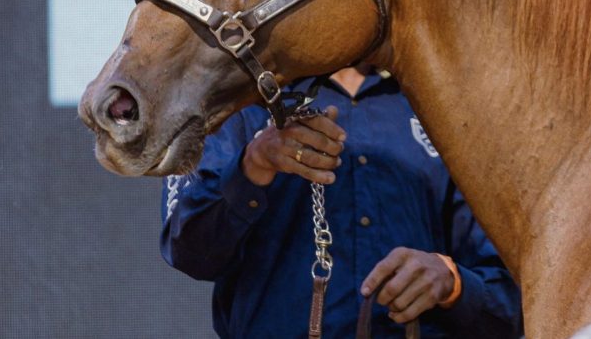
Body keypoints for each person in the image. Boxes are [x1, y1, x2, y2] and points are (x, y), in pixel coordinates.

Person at [161, 67, 523, 338]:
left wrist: (451, 281)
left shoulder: (447, 102)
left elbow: (510, 304)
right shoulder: (235, 100)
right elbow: (189, 251)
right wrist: (254, 163)